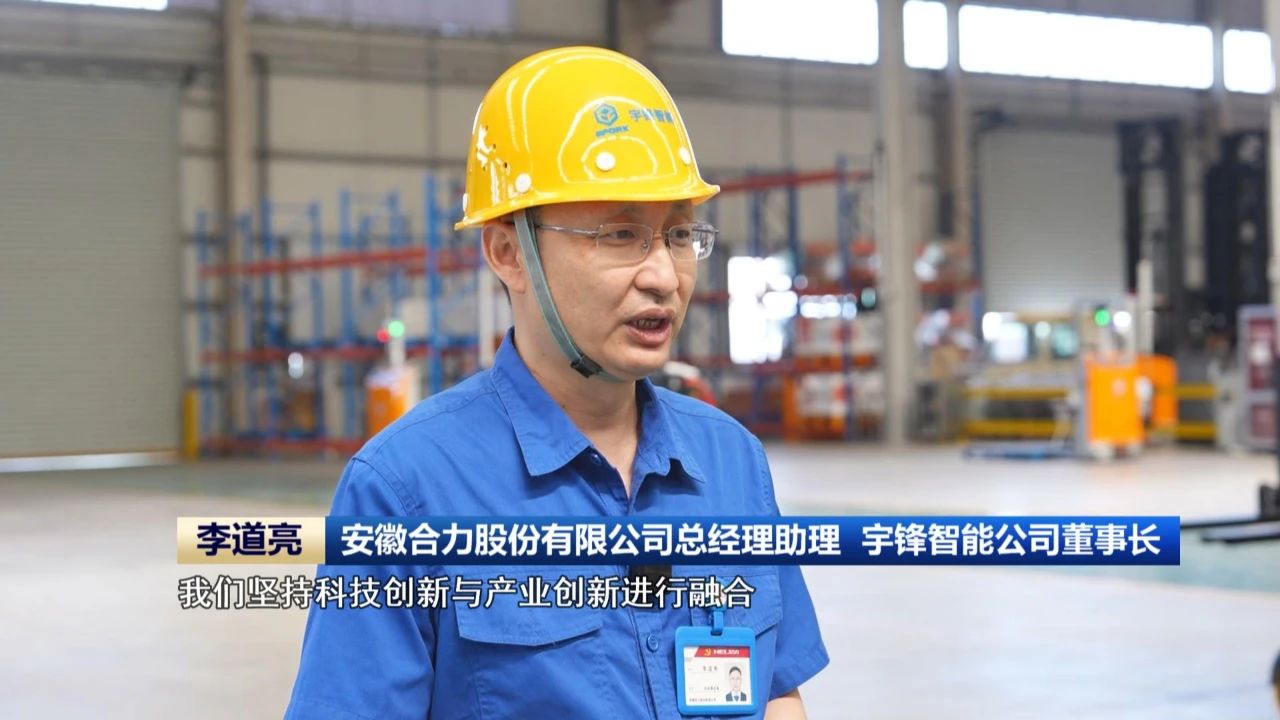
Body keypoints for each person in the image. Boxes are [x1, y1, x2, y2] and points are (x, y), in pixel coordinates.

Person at [284, 45, 828, 720]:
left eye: (679, 234)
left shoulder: (731, 462)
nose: (664, 275)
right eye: (621, 235)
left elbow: (776, 691)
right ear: (508, 251)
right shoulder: (404, 492)